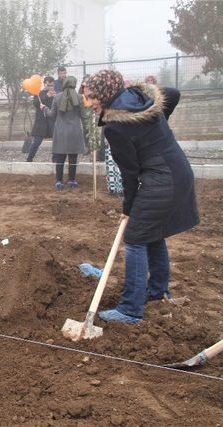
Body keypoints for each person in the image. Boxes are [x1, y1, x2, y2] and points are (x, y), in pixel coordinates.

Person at [84, 69, 199, 324]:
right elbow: (172, 94)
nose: (90, 103)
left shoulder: (116, 127)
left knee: (135, 237)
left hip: (161, 179)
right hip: (177, 169)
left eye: (92, 97)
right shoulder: (138, 97)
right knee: (151, 233)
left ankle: (130, 310)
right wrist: (157, 125)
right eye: (86, 98)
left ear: (106, 93)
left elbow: (130, 173)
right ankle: (157, 292)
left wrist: (128, 206)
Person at [41, 76, 85, 190]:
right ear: (75, 84)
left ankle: (59, 181)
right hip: (75, 131)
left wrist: (44, 108)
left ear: (64, 84)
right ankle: (72, 180)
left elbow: (52, 115)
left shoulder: (57, 97)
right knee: (73, 158)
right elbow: (84, 116)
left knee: (60, 158)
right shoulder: (80, 97)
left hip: (61, 131)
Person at [26, 76, 55, 162]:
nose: (51, 87)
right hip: (41, 122)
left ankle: (55, 159)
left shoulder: (55, 93)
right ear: (45, 84)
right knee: (37, 142)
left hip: (51, 121)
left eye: (52, 85)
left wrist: (55, 97)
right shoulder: (39, 93)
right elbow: (35, 103)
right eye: (49, 85)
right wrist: (46, 96)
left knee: (56, 141)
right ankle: (29, 159)